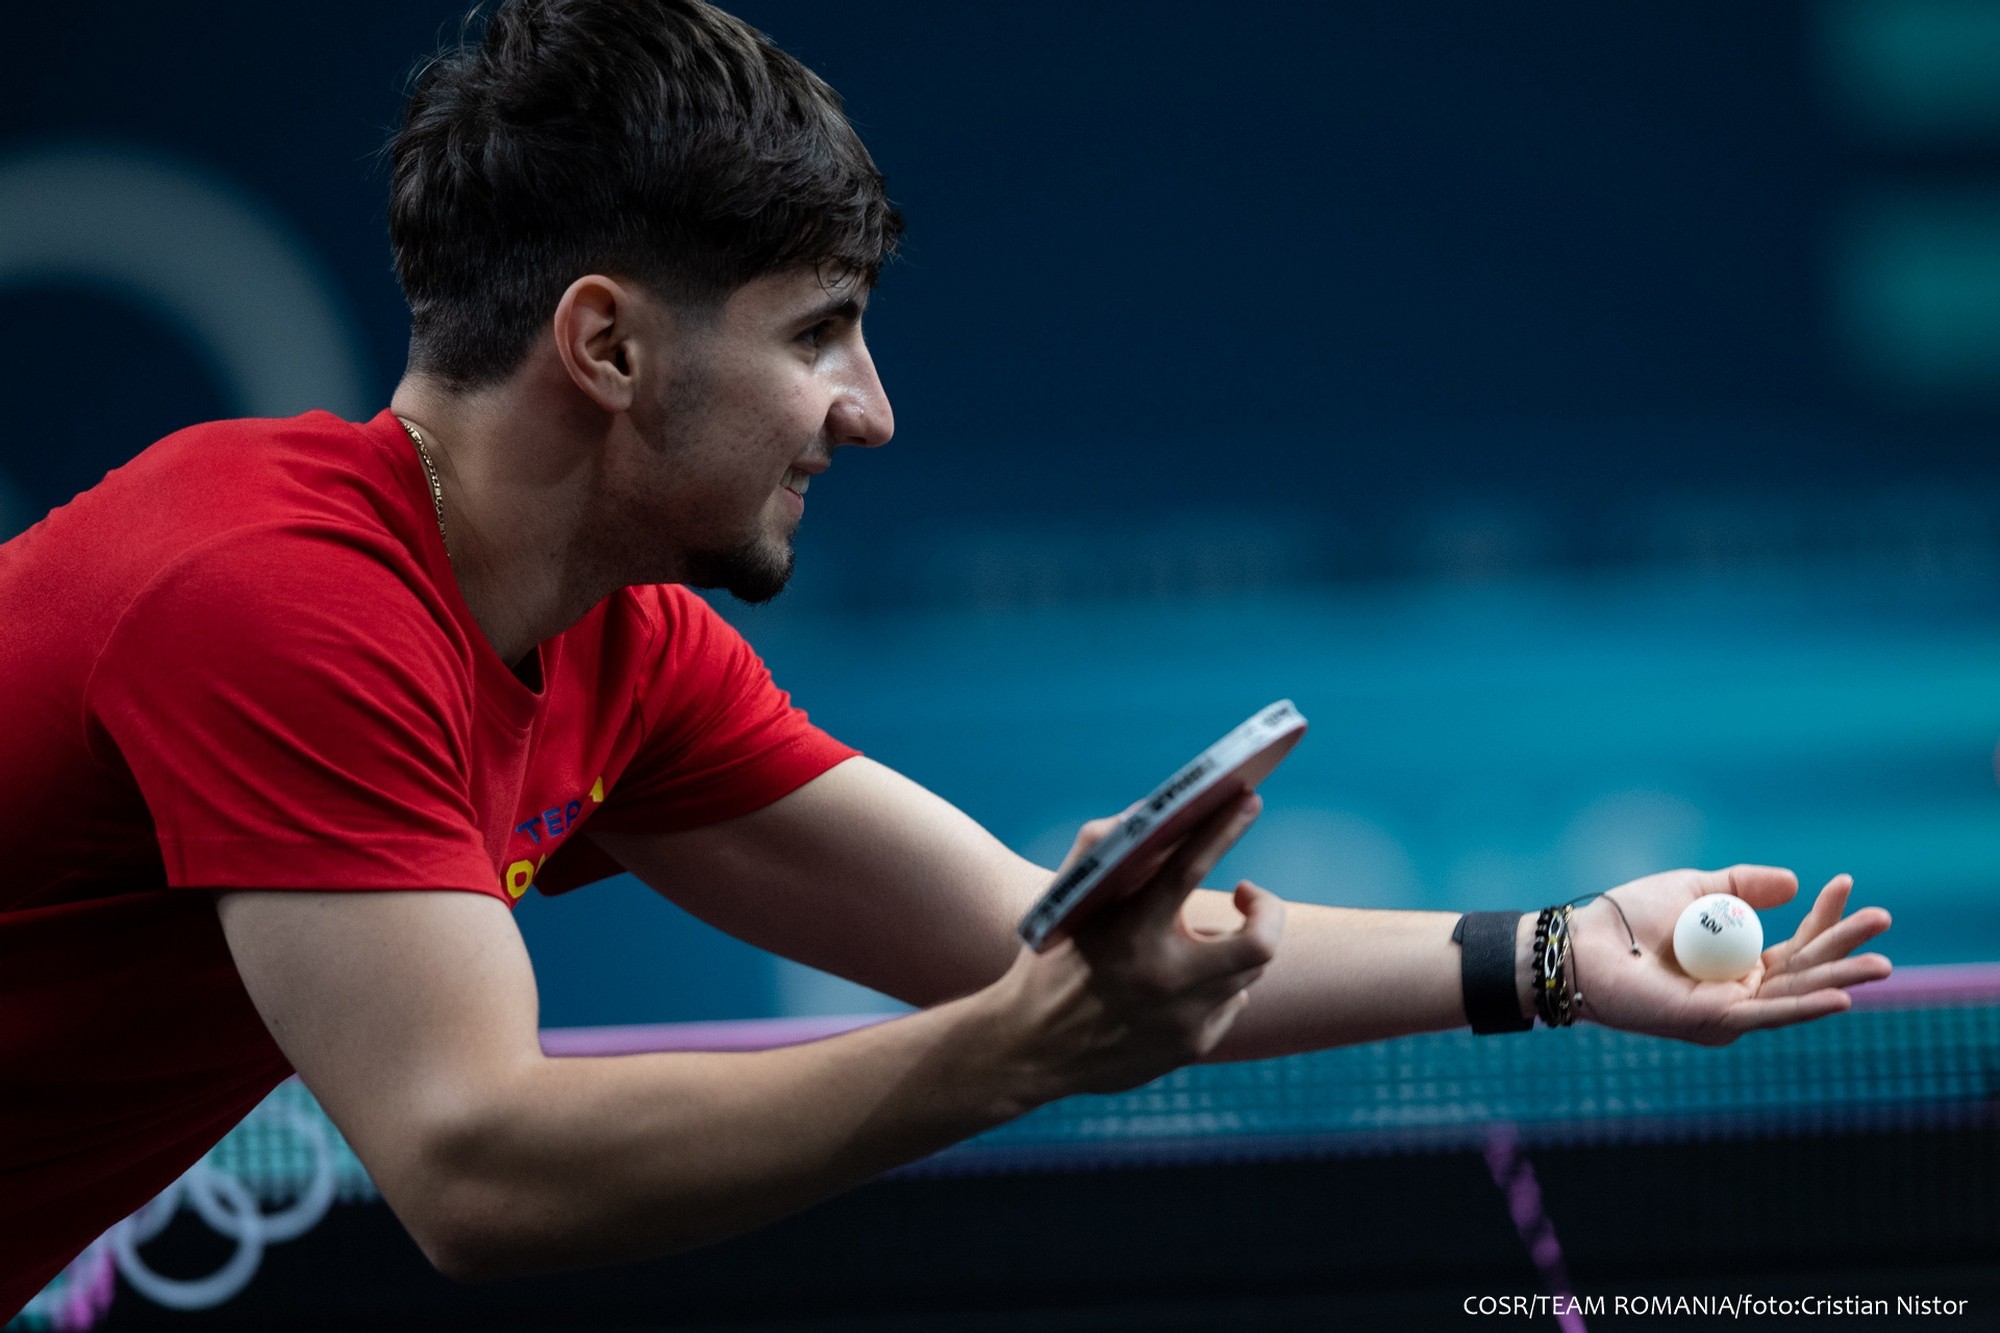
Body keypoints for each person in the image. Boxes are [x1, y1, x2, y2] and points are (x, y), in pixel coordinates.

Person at [0, 0, 1893, 1314]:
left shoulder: (616, 647)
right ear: (607, 345)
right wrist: (1005, 1061)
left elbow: (1022, 936)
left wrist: (1555, 953)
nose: (871, 409)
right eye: (817, 332)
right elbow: (480, 1166)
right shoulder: (280, 600)